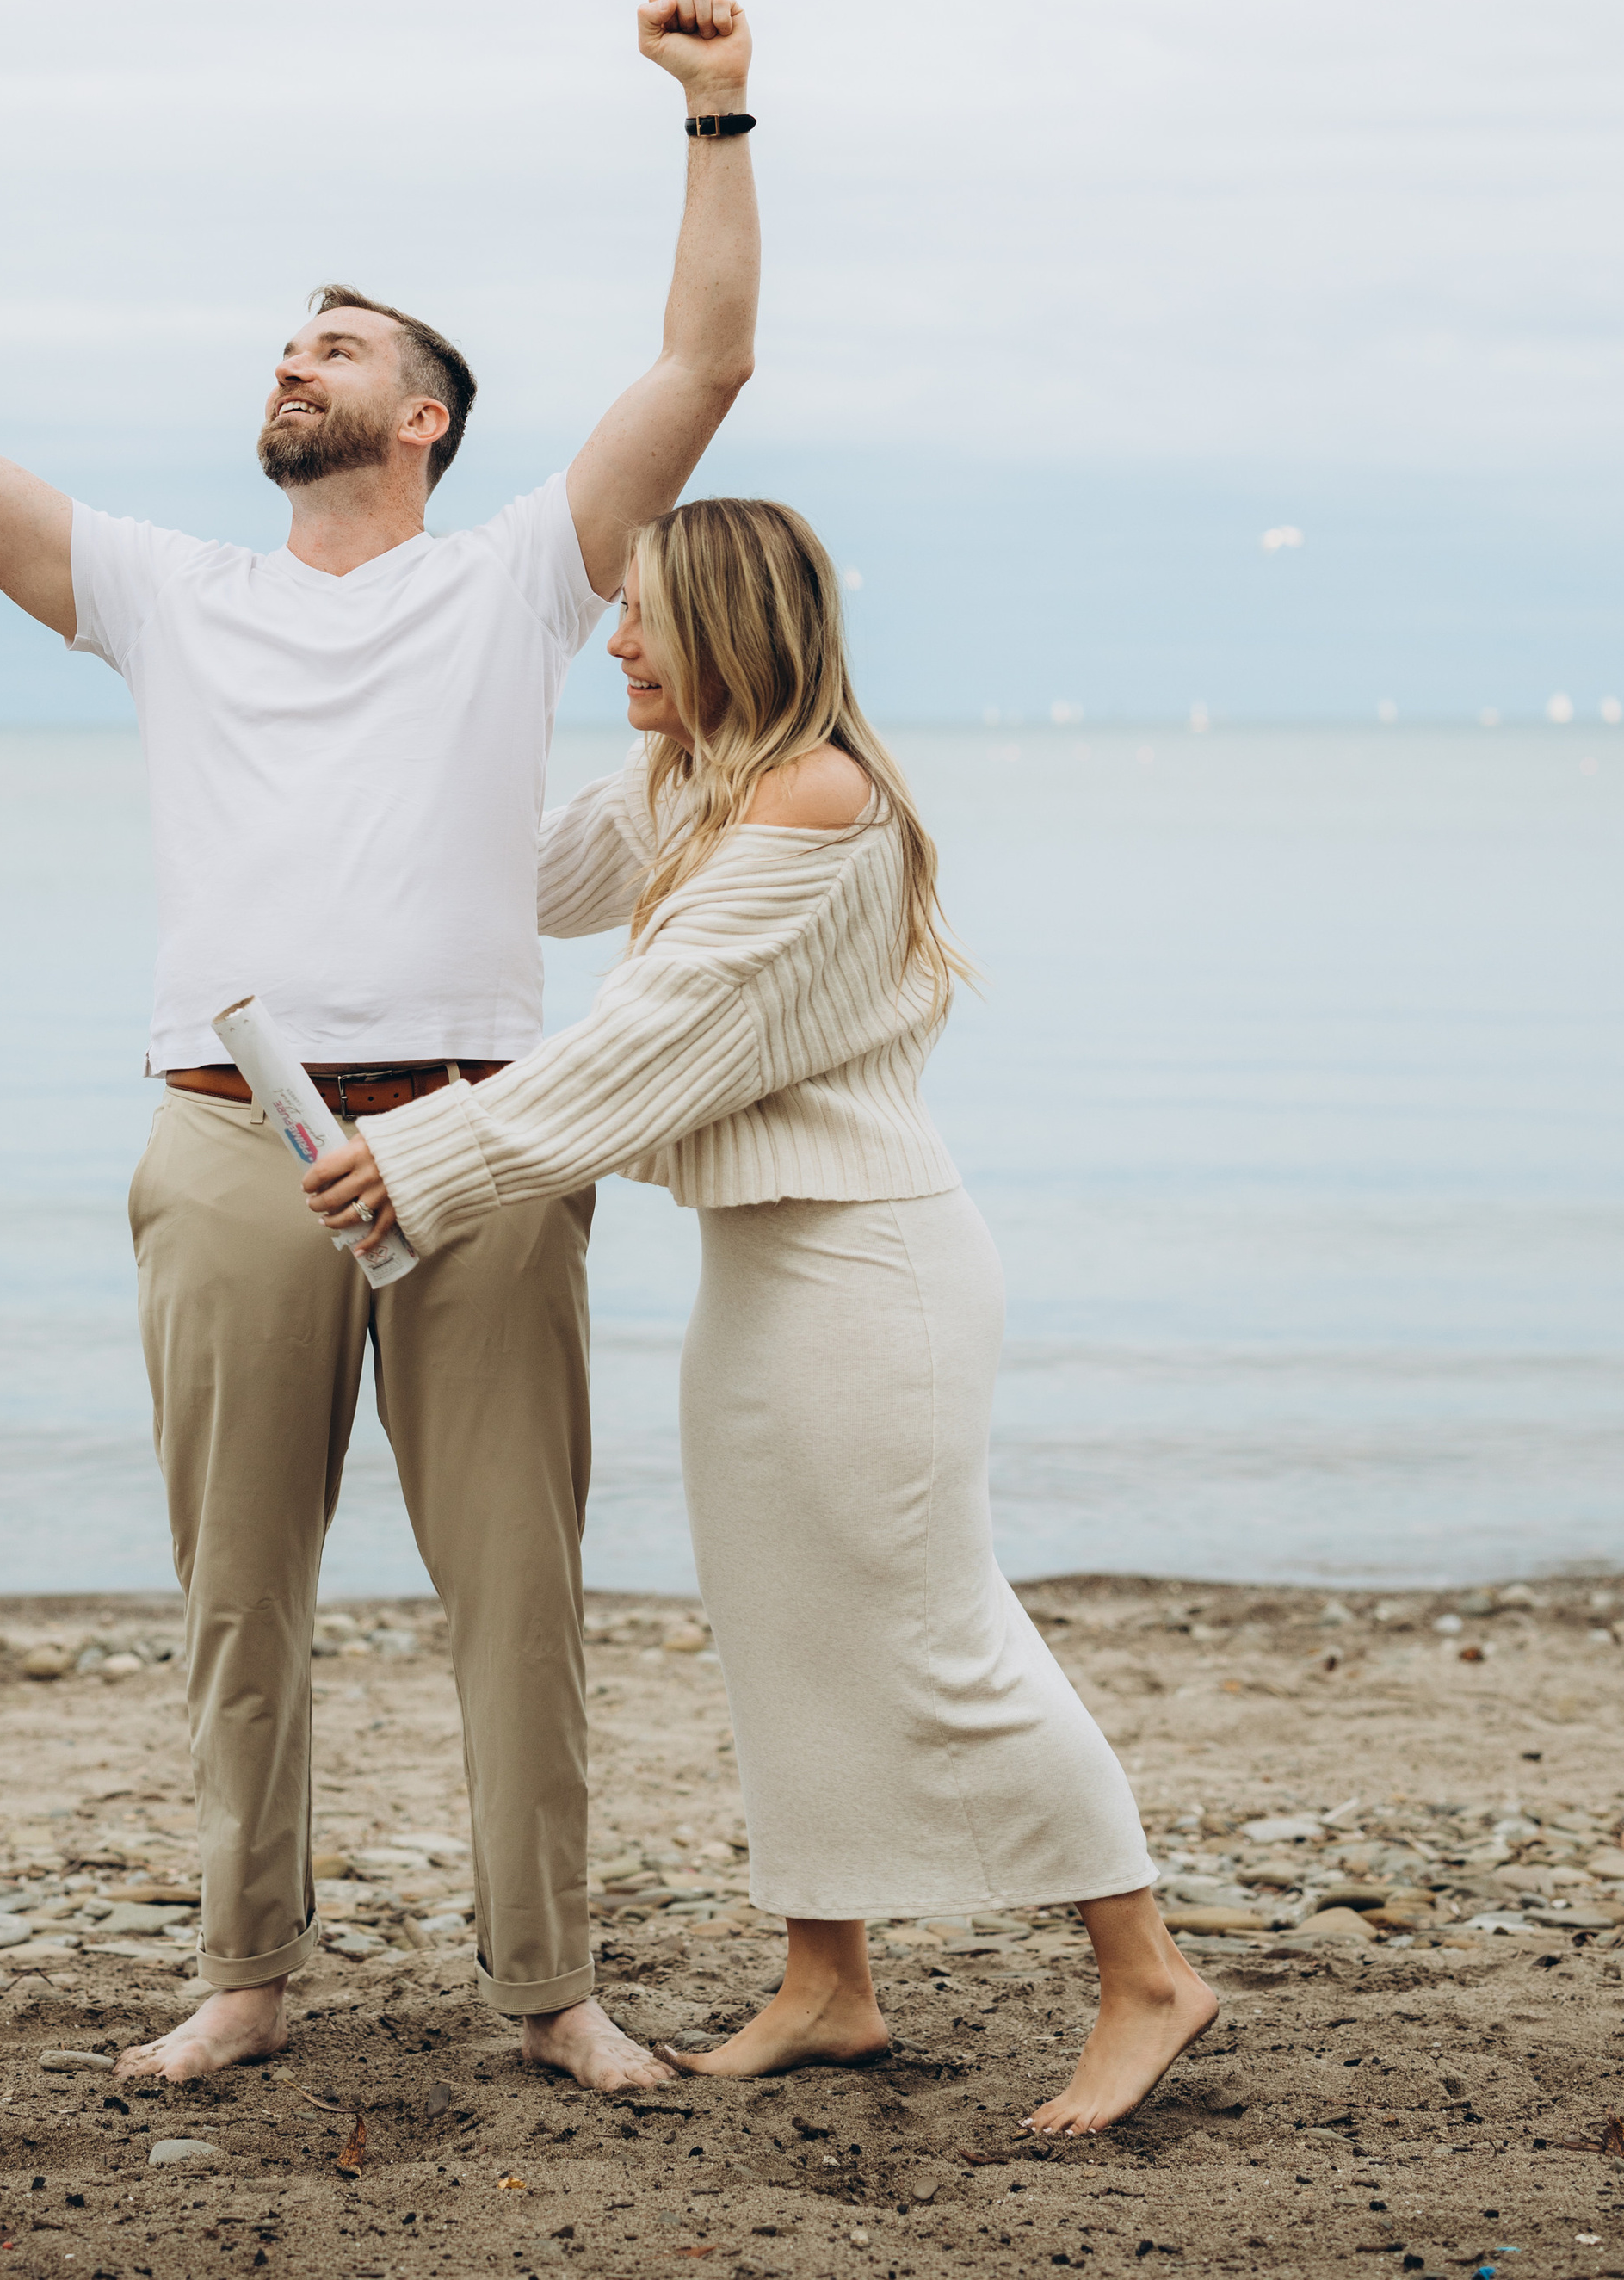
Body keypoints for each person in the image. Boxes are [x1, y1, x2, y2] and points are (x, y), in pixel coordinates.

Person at [0, 0, 762, 2095]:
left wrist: (715, 115)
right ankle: (244, 1974)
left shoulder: (518, 582)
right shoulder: (172, 591)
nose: (294, 355)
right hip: (228, 1147)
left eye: (339, 344)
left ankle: (547, 1988)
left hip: (473, 1149)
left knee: (517, 1600)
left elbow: (703, 362)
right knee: (238, 1599)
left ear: (423, 421)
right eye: (288, 338)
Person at [305, 497, 1220, 2132]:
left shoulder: (814, 798)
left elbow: (644, 1038)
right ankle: (828, 1982)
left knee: (936, 1628)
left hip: (874, 1271)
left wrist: (413, 1157)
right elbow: (497, 877)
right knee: (783, 1632)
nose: (619, 643)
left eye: (645, 614)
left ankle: (1145, 1971)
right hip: (762, 1263)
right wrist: (336, 760)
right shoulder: (691, 786)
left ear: (727, 623)